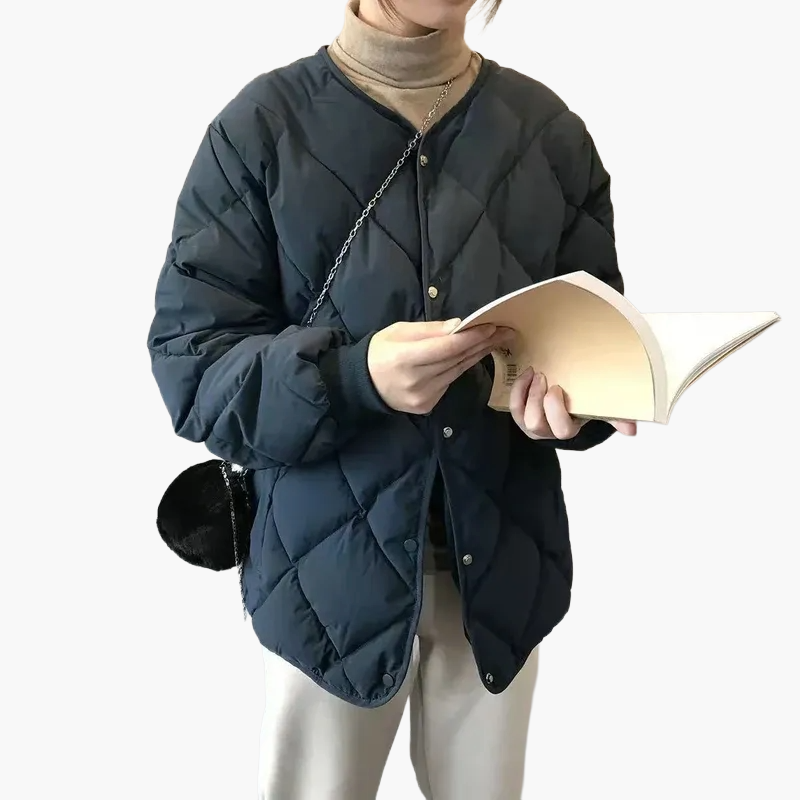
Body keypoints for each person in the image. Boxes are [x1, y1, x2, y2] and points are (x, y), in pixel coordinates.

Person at [147, 0, 637, 797]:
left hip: (501, 578)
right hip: (324, 584)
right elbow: (193, 370)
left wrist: (573, 410)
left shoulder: (547, 132)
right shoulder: (260, 129)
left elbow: (588, 331)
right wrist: (353, 378)